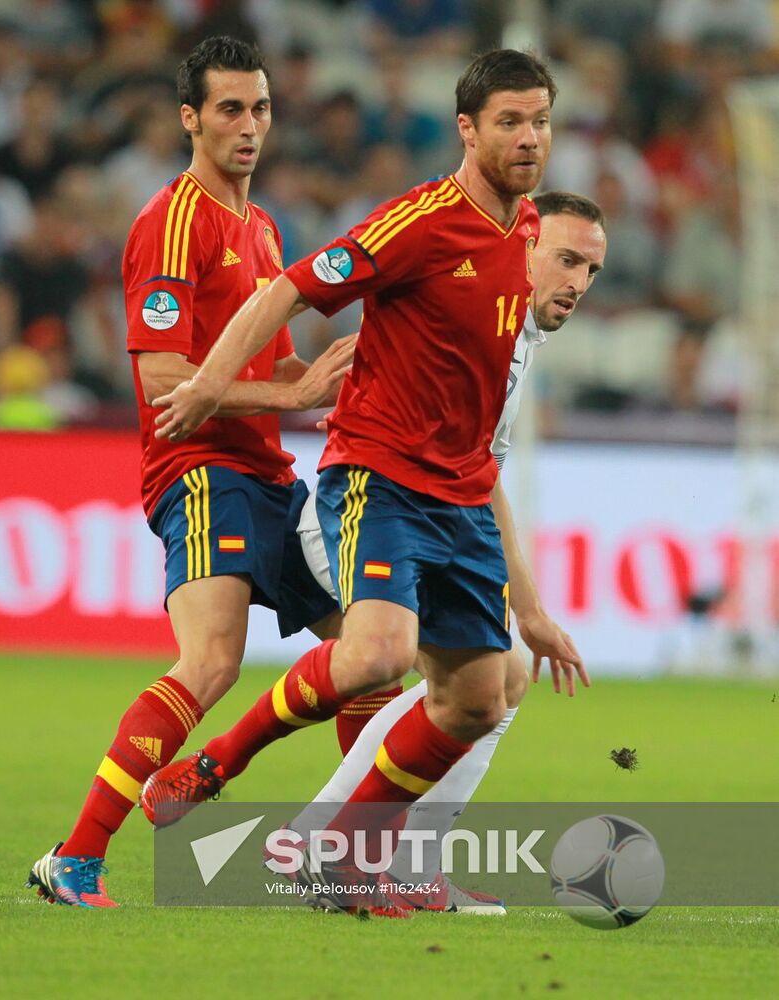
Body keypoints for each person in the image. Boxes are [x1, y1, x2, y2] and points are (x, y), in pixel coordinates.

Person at [142, 49, 588, 919]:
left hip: (460, 497)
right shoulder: (418, 223)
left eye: (540, 120)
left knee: (478, 699)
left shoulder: (529, 232)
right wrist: (205, 387)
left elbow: (486, 435)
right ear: (467, 128)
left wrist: (529, 606)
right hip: (376, 478)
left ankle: (346, 857)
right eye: (509, 121)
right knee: (380, 654)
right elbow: (287, 292)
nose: (529, 137)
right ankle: (223, 760)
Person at [27, 35, 353, 909]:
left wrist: (346, 370)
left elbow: (280, 376)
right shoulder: (169, 222)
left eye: (261, 108)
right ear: (190, 119)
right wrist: (290, 391)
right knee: (210, 661)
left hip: (269, 473)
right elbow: (164, 381)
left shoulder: (262, 226)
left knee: (368, 656)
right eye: (230, 110)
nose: (250, 126)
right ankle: (76, 857)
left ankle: (369, 855)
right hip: (201, 470)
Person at [285, 191, 607, 914]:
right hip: (356, 513)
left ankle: (397, 857)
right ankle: (330, 843)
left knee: (498, 680)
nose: (578, 284)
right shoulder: (471, 319)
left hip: (411, 521)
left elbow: (482, 479)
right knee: (441, 675)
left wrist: (529, 610)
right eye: (565, 260)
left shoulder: (516, 341)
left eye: (591, 270)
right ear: (521, 247)